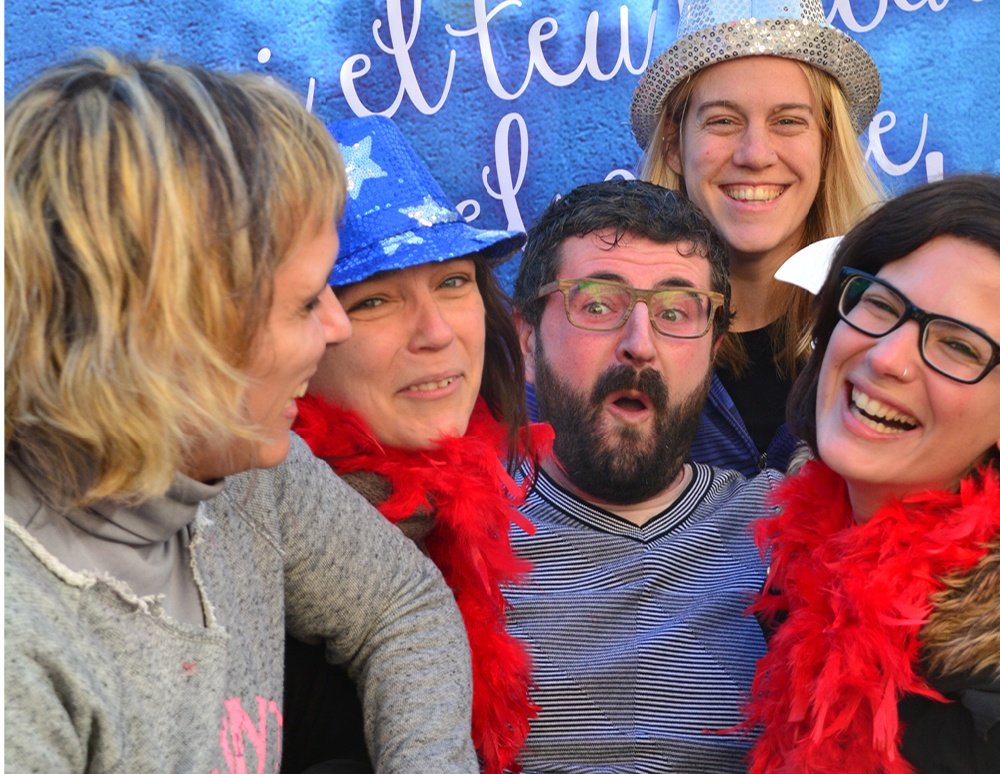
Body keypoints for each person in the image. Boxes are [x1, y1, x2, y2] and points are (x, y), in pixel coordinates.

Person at [4, 52, 477, 772]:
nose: (336, 327)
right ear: (173, 332)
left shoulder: (251, 465)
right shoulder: (22, 646)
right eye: (305, 302)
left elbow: (402, 607)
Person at [280, 114, 549, 774]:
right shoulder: (257, 535)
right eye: (375, 301)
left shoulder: (488, 503)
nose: (436, 333)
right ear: (303, 331)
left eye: (453, 283)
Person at [506, 178, 782, 770]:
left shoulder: (787, 528)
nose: (640, 343)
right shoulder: (454, 535)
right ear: (527, 341)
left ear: (713, 350)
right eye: (597, 305)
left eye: (675, 312)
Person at [745, 174, 1000, 772]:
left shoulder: (979, 704)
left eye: (959, 346)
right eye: (881, 305)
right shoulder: (798, 564)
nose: (886, 356)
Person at [631, 0, 884, 475]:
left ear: (827, 144)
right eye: (723, 121)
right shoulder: (617, 337)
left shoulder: (889, 326)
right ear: (674, 146)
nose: (754, 154)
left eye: (787, 121)